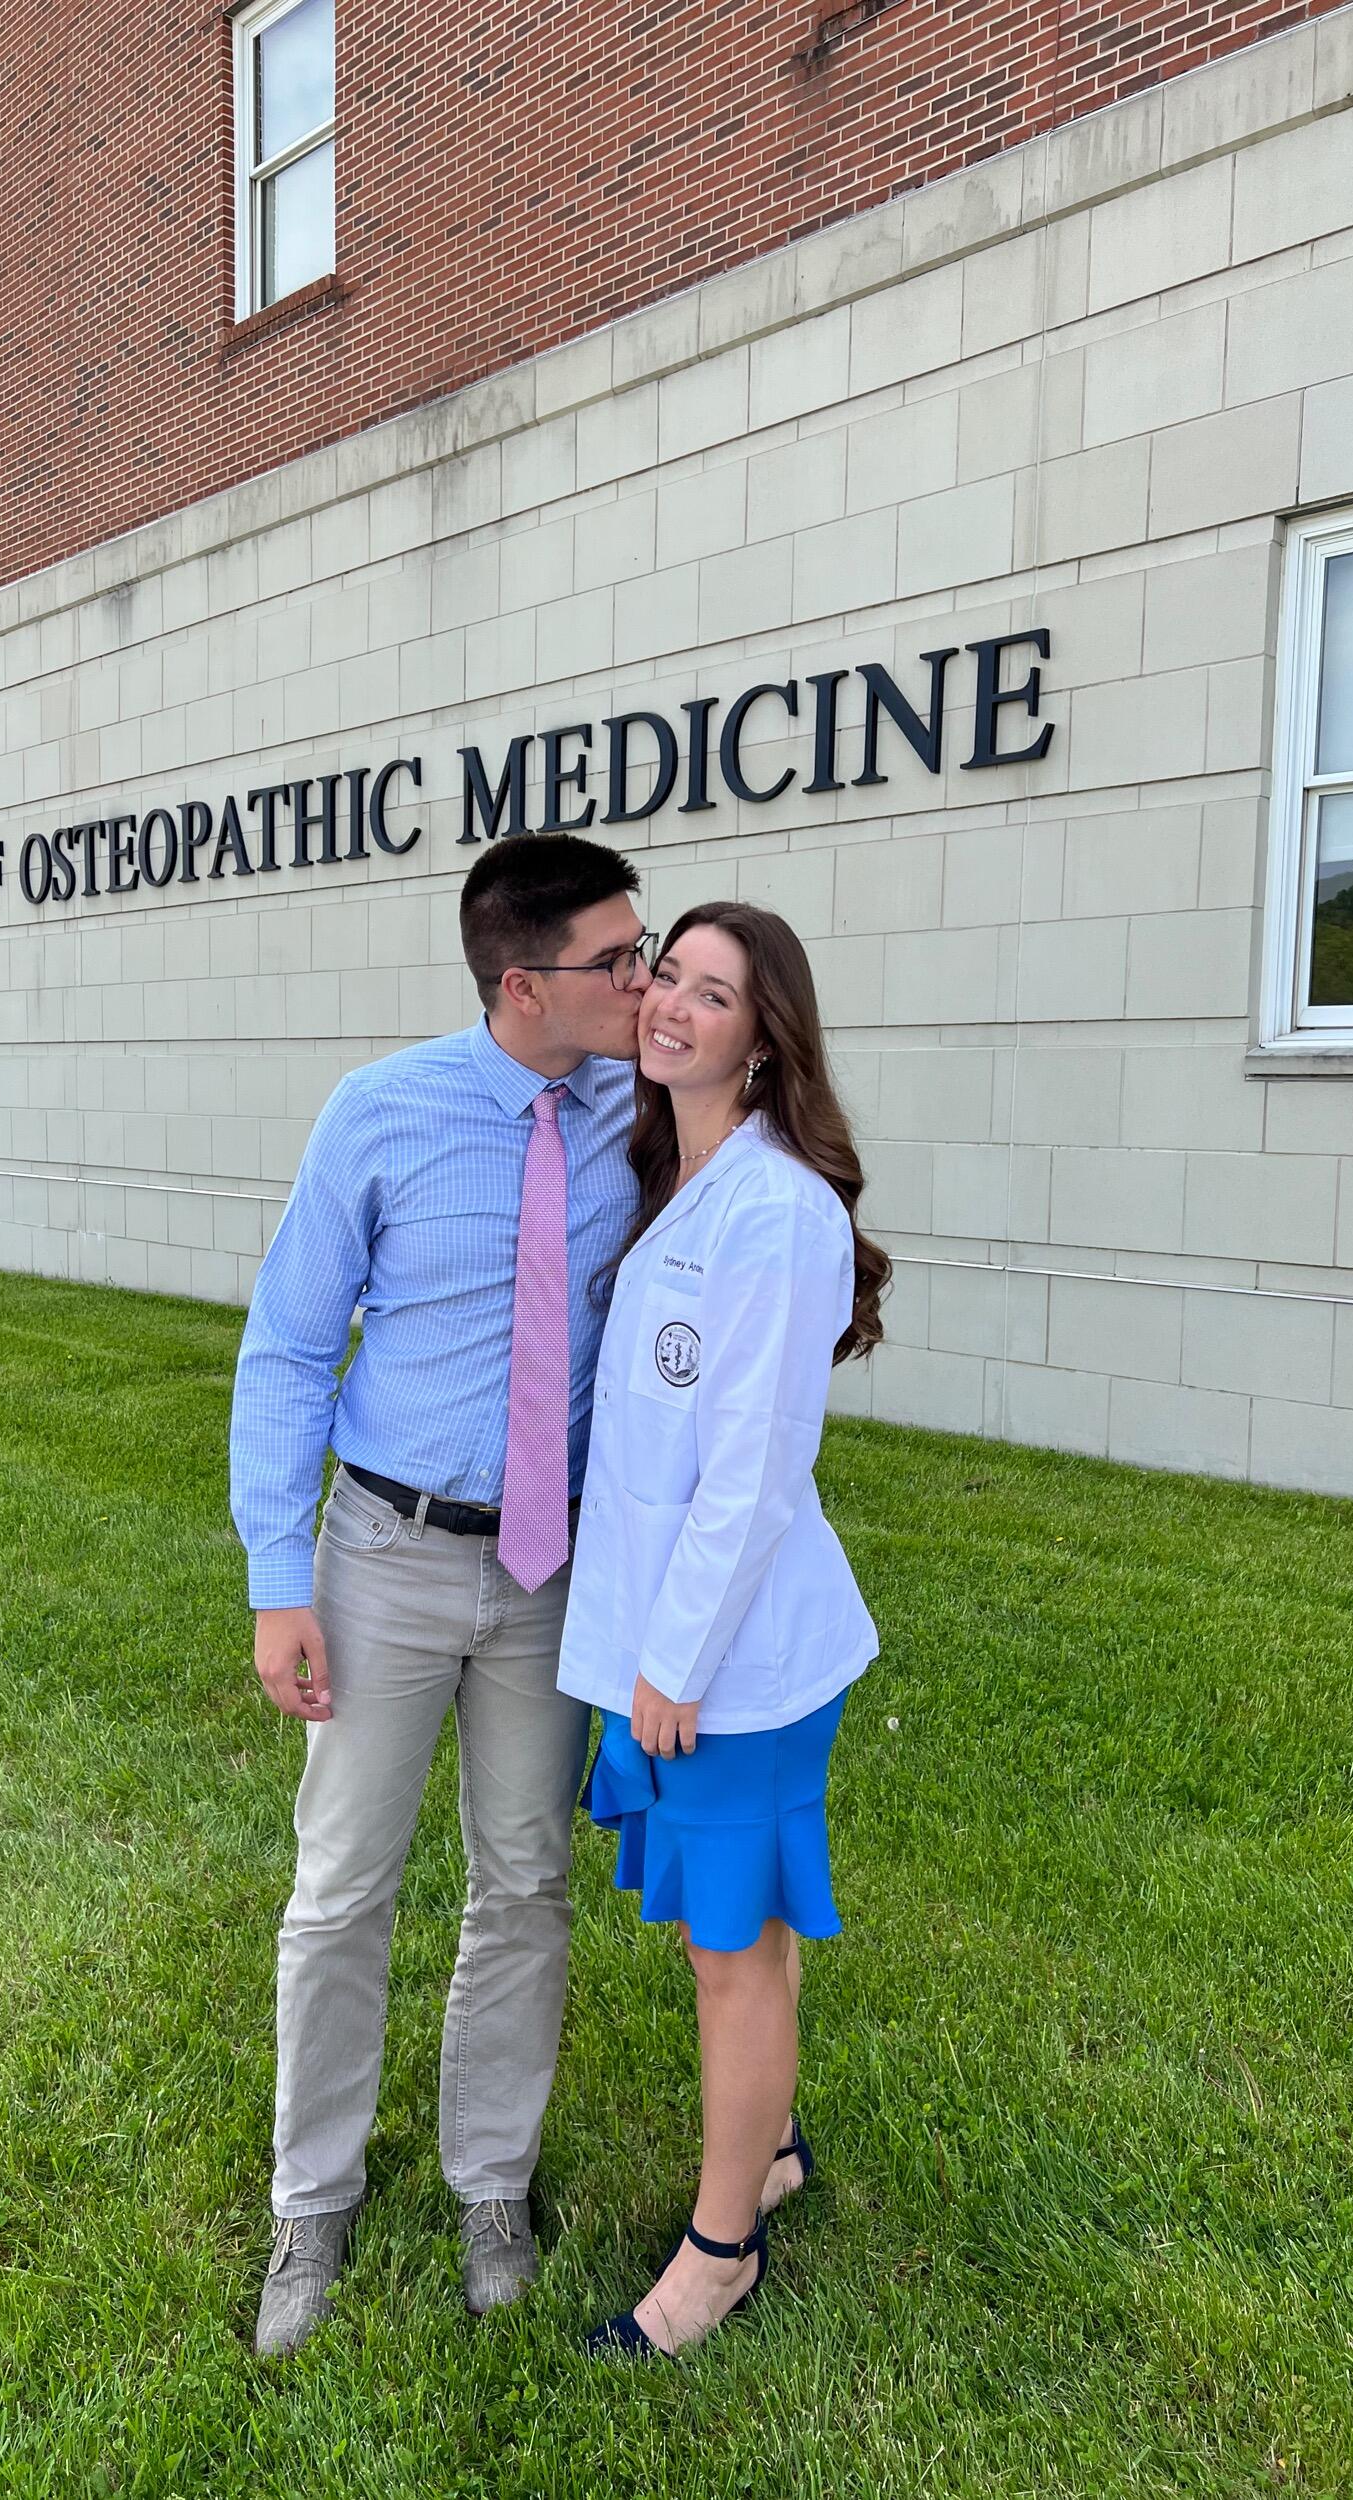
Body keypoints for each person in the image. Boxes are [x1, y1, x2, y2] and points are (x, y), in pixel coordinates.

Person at [229, 833, 652, 2358]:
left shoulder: (644, 1109)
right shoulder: (381, 1113)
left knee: (524, 1881)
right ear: (522, 983)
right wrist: (284, 1582)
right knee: (342, 1888)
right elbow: (285, 1349)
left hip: (550, 1567)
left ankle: (492, 2181)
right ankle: (312, 2205)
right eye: (618, 959)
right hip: (385, 1559)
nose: (644, 977)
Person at [556, 901, 890, 2359]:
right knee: (721, 1935)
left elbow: (751, 1476)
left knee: (730, 1954)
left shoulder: (779, 1212)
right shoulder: (664, 1172)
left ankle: (720, 2249)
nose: (674, 1005)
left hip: (729, 1667)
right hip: (662, 1644)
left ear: (766, 1039)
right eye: (665, 979)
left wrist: (673, 1665)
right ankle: (778, 2153)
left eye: (713, 991)